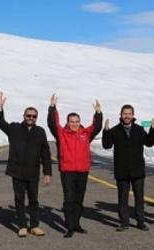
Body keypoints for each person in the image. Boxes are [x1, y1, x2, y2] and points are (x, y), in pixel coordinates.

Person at [0, 91, 52, 237]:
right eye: (28, 115)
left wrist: (47, 172)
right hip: (17, 171)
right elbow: (0, 123)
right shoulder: (14, 128)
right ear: (24, 116)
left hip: (33, 172)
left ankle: (35, 225)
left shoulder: (40, 132)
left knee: (34, 200)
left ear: (36, 118)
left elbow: (45, 153)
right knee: (19, 200)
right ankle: (22, 226)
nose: (31, 118)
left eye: (34, 116)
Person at [47, 93, 103, 238]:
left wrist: (98, 113)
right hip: (68, 171)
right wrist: (52, 107)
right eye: (72, 121)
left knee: (79, 199)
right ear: (68, 122)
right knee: (69, 198)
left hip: (82, 171)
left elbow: (96, 127)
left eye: (77, 121)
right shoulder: (61, 133)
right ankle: (70, 226)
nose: (75, 124)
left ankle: (76, 224)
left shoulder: (85, 133)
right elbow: (53, 124)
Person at [102, 104, 154, 231]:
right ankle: (124, 222)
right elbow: (106, 145)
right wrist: (106, 130)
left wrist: (153, 129)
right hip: (122, 170)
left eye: (129, 114)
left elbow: (149, 143)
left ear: (133, 115)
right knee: (122, 198)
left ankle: (140, 221)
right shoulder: (115, 130)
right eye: (124, 114)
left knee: (139, 198)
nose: (127, 116)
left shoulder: (139, 129)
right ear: (121, 115)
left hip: (137, 170)